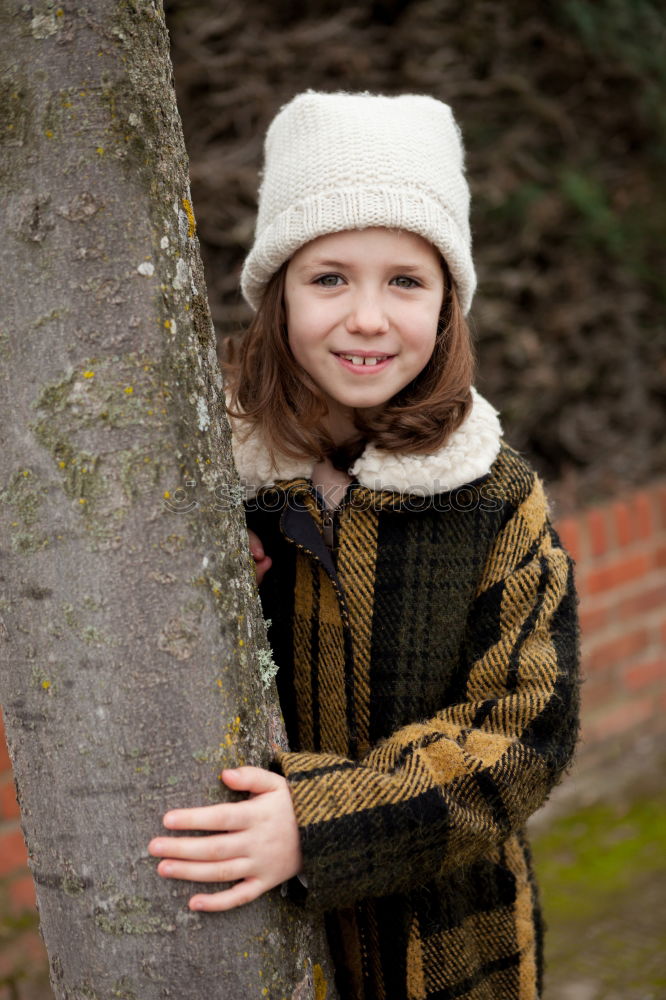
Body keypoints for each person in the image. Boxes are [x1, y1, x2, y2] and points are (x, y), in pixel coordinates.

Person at [148, 90, 580, 1000]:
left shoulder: (493, 497)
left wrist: (325, 823)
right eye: (330, 277)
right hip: (253, 940)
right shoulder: (205, 484)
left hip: (450, 939)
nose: (369, 318)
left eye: (406, 281)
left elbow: (528, 730)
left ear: (449, 302)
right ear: (277, 293)